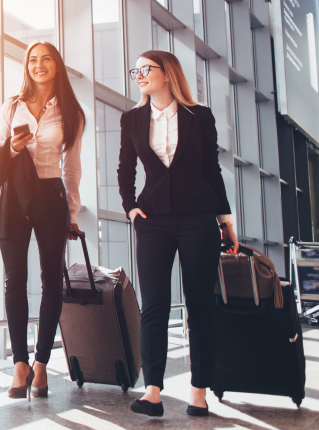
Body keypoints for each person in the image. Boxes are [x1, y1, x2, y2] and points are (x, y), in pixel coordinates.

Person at [117, 50, 240, 417]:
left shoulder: (199, 116)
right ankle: (153, 391)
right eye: (135, 70)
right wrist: (130, 208)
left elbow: (211, 169)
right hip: (152, 220)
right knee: (153, 305)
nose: (138, 75)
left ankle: (199, 392)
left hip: (197, 219)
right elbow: (125, 168)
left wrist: (225, 222)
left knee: (199, 305)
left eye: (146, 69)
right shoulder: (132, 119)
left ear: (167, 73)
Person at [0, 41, 84, 400]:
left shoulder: (71, 112)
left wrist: (72, 213)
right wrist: (13, 146)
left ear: (56, 65)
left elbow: (71, 168)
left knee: (51, 280)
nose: (38, 65)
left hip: (50, 196)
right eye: (32, 60)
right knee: (15, 280)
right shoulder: (11, 106)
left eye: (45, 60)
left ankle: (42, 364)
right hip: (14, 194)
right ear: (26, 66)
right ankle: (20, 364)